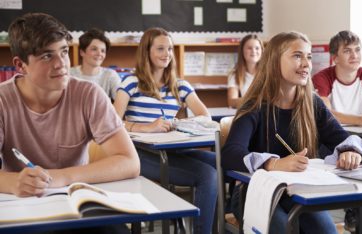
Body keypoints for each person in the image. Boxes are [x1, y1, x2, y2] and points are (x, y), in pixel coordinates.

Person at [0, 13, 140, 233]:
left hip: (76, 206)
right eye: (47, 56)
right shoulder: (2, 100)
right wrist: (14, 182)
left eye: (64, 52)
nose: (61, 64)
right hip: (23, 209)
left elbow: (130, 162)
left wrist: (62, 176)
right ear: (20, 65)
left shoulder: (88, 94)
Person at [221, 31, 362, 234]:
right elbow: (230, 153)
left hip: (297, 189)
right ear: (274, 61)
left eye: (308, 57)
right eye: (297, 56)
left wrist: (350, 150)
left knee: (327, 231)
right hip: (254, 191)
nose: (306, 64)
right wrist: (272, 163)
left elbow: (344, 138)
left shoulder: (312, 103)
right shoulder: (254, 105)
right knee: (284, 229)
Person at [113, 27, 217, 234]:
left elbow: (205, 117)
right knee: (208, 175)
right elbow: (112, 122)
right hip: (139, 153)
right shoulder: (131, 83)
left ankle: (221, 221)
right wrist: (147, 127)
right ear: (147, 52)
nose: (167, 54)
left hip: (173, 150)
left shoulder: (180, 85)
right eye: (160, 48)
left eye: (169, 49)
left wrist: (179, 124)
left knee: (222, 163)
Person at [312, 30, 362, 232]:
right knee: (348, 163)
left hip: (361, 139)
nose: (355, 55)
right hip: (330, 141)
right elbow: (325, 113)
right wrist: (361, 119)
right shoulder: (322, 77)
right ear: (335, 57)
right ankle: (355, 212)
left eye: (357, 50)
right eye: (347, 51)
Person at [70, 28, 120, 100]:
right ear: (82, 52)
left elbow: (121, 103)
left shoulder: (110, 75)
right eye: (94, 49)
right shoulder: (69, 75)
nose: (99, 54)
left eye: (103, 51)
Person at [227, 34, 263, 108]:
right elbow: (232, 102)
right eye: (249, 48)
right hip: (248, 111)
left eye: (257, 48)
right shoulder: (235, 74)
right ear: (242, 51)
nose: (253, 51)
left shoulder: (269, 72)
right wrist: (255, 100)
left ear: (262, 51)